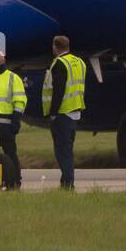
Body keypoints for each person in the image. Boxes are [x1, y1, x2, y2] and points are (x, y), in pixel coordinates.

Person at [41, 35, 85, 190]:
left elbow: (58, 90)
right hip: (75, 111)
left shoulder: (60, 64)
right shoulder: (79, 62)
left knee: (62, 152)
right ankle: (65, 182)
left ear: (55, 47)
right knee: (68, 150)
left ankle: (68, 184)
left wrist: (53, 112)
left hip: (62, 113)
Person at [0, 52, 26, 189]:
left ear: (4, 58)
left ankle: (15, 182)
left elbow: (20, 100)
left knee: (11, 155)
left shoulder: (13, 78)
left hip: (6, 123)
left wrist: (16, 120)